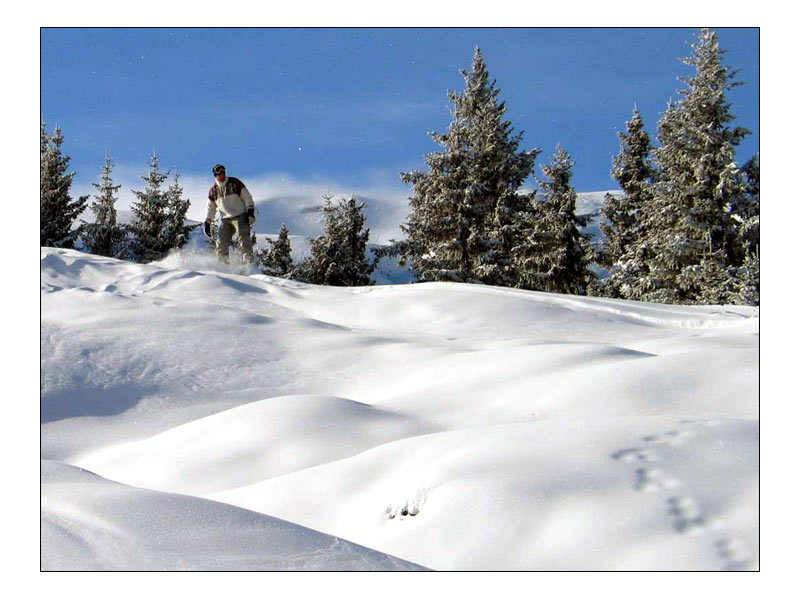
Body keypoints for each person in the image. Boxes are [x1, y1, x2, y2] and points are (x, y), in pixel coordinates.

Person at [203, 163, 256, 264]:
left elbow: (247, 196)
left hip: (240, 215)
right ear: (215, 176)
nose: (222, 175)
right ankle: (223, 265)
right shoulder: (213, 191)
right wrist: (208, 222)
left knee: (243, 238)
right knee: (221, 241)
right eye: (219, 174)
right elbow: (211, 208)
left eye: (223, 172)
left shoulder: (235, 183)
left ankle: (248, 264)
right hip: (226, 219)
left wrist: (250, 211)